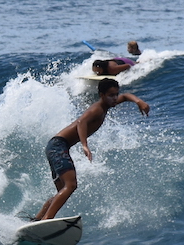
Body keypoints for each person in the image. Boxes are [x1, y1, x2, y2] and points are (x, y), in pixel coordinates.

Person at [32, 77, 150, 222]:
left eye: (116, 94)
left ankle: (37, 219)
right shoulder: (97, 109)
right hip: (58, 146)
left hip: (55, 146)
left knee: (62, 190)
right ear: (102, 95)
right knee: (71, 185)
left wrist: (139, 101)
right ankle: (46, 219)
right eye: (111, 95)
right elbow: (81, 122)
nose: (115, 98)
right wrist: (84, 145)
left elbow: (125, 96)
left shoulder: (107, 104)